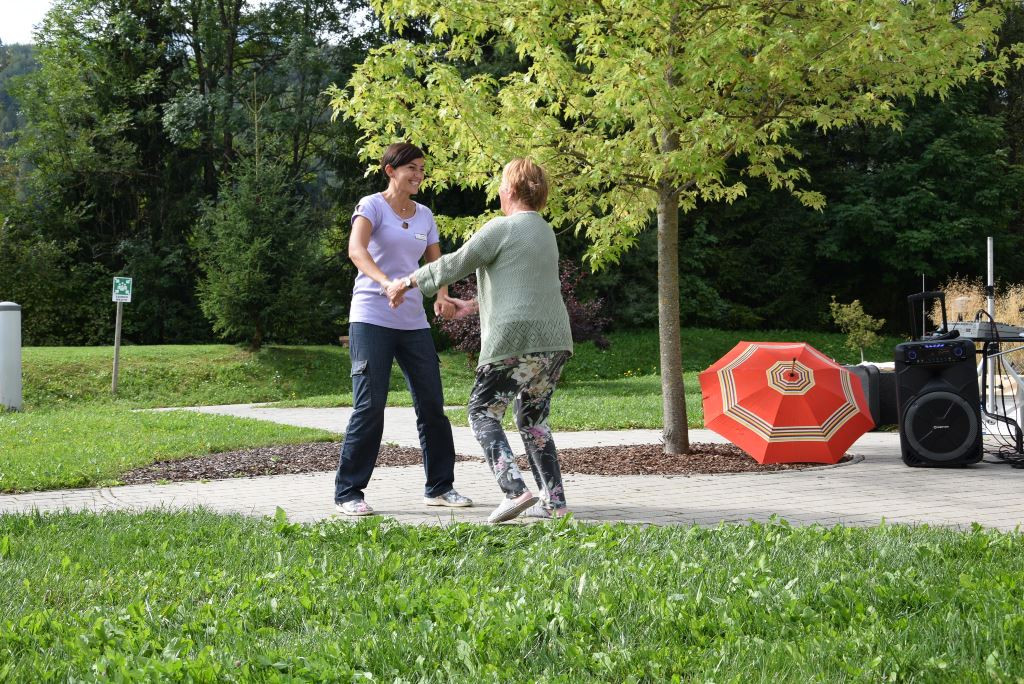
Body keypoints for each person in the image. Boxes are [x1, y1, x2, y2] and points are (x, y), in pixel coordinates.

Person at [388, 158, 573, 523]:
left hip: (516, 340)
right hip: (554, 341)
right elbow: (522, 288)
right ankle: (555, 502)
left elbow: (454, 262)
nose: (500, 191)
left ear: (511, 190)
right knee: (533, 419)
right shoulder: (544, 232)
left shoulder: (501, 228)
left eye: (502, 185)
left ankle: (515, 490)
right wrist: (471, 306)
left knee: (481, 411)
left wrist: (406, 282)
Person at [333, 142, 473, 516]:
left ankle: (440, 486)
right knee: (370, 406)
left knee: (432, 405)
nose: (418, 175)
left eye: (422, 169)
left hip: (413, 322)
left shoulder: (425, 215)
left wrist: (442, 295)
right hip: (371, 317)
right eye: (411, 167)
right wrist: (385, 283)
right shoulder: (371, 206)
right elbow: (356, 251)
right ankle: (349, 492)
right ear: (390, 170)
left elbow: (436, 262)